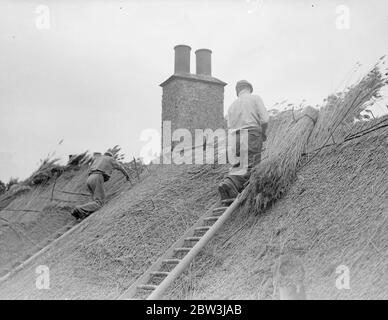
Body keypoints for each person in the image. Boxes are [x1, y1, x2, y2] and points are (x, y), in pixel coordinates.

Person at [218, 80, 269, 200]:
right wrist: (263, 132)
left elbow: (229, 126)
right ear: (249, 88)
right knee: (251, 164)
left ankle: (231, 186)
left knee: (240, 163)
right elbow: (265, 120)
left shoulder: (232, 106)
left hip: (235, 138)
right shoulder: (255, 98)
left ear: (238, 91)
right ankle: (230, 182)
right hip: (251, 134)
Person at [72, 151, 130, 220]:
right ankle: (79, 208)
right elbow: (120, 167)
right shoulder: (110, 158)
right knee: (99, 203)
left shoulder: (98, 159)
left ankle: (83, 213)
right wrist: (127, 175)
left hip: (89, 178)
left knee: (95, 201)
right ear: (111, 156)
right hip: (97, 177)